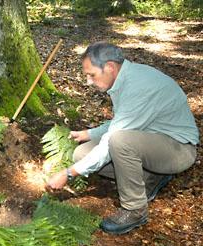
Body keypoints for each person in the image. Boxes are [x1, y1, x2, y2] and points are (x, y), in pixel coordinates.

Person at [47, 42, 199, 235]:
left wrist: (68, 174)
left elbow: (116, 136)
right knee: (81, 153)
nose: (88, 82)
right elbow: (125, 122)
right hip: (152, 140)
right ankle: (151, 177)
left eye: (91, 75)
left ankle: (135, 210)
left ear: (110, 67)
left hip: (179, 149)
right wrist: (90, 134)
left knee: (120, 142)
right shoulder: (124, 78)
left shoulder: (138, 86)